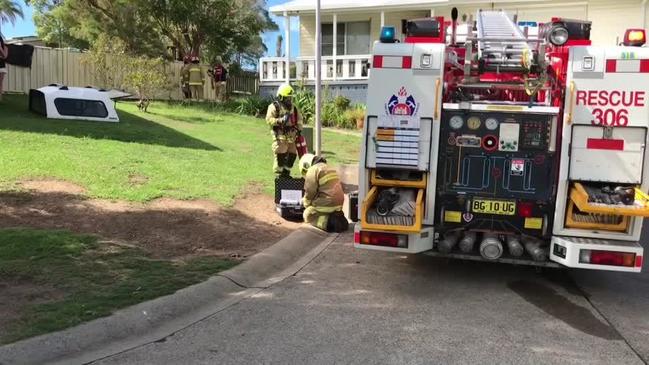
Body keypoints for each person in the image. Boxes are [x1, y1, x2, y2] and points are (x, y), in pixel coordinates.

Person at [299, 153, 349, 232]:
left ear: (306, 165)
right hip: (338, 204)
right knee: (321, 210)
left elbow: (310, 191)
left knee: (308, 214)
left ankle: (329, 223)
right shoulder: (329, 167)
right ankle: (340, 219)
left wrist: (305, 203)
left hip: (327, 203)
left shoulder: (313, 170)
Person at [266, 83, 303, 176]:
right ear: (281, 97)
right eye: (287, 98)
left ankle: (286, 172)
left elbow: (299, 119)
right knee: (281, 150)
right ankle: (279, 171)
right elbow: (268, 119)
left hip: (291, 135)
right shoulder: (274, 107)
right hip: (279, 134)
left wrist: (299, 130)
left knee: (293, 153)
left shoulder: (293, 108)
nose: (289, 100)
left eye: (290, 98)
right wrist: (279, 121)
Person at [0, 32, 8, 102]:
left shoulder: (5, 47)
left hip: (1, 66)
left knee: (0, 82)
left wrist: (0, 48)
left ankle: (0, 98)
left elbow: (5, 56)